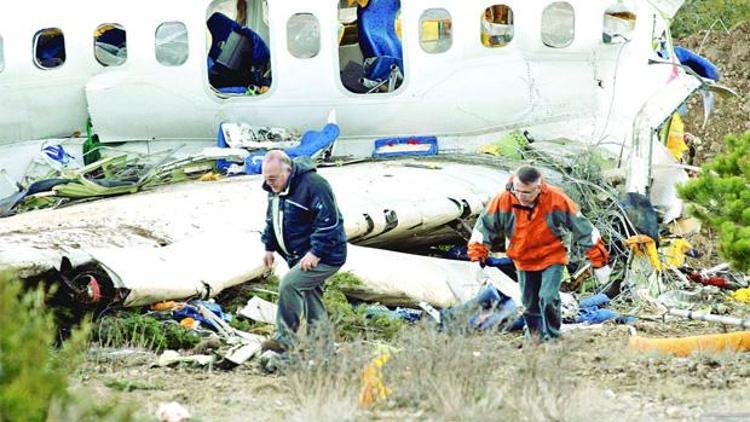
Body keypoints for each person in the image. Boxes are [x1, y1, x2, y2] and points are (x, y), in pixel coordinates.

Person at [467, 166, 611, 341]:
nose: (520, 196)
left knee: (548, 297)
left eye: (526, 193)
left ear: (538, 188)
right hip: (523, 259)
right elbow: (484, 229)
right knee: (530, 303)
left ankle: (552, 337)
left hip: (551, 257)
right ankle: (534, 339)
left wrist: (599, 262)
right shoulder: (503, 200)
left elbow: (585, 229)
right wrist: (476, 258)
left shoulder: (556, 199)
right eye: (517, 190)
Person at [259, 150, 347, 352]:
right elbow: (272, 219)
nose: (269, 183)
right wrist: (269, 247)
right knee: (310, 295)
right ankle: (322, 348)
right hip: (299, 255)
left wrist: (316, 252)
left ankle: (284, 340)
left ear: (288, 171)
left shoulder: (314, 185)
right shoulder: (275, 188)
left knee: (289, 284)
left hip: (326, 254)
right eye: (266, 179)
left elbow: (330, 222)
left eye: (273, 178)